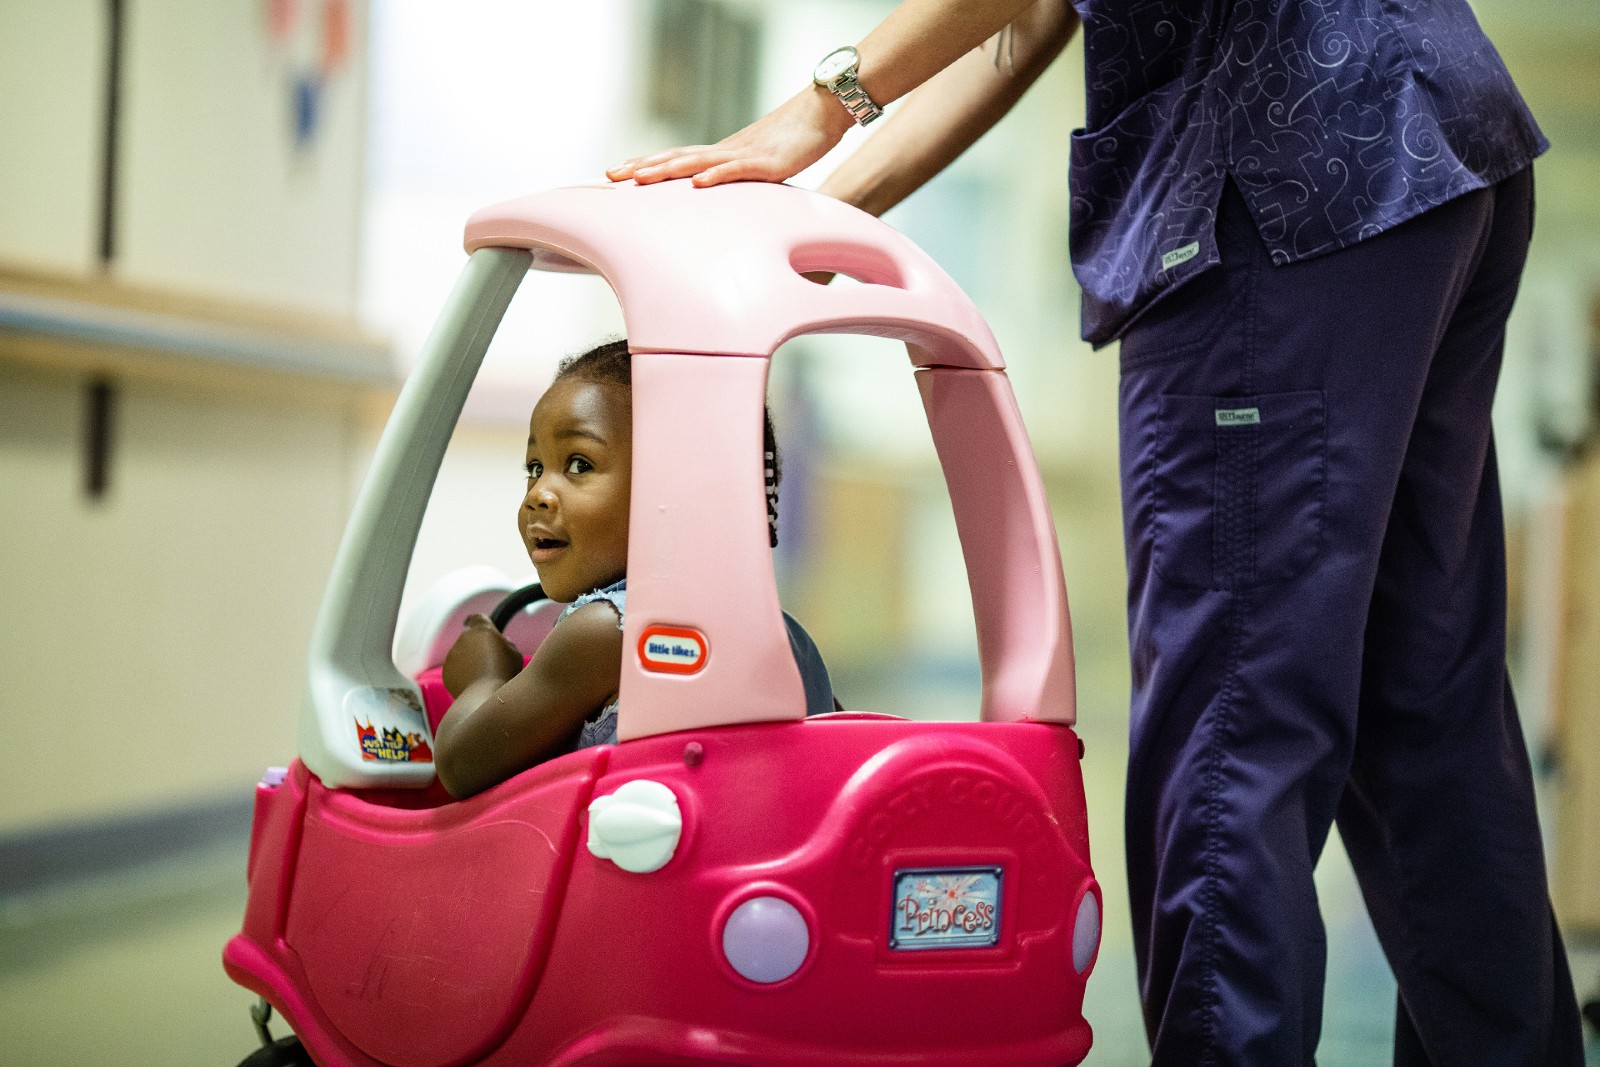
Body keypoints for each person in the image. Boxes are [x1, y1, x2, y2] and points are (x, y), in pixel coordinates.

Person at [608, 2, 1586, 1064]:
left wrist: (818, 108)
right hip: (1431, 150)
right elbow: (1027, 20)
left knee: (1231, 722)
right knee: (1422, 703)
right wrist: (812, 222)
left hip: (1280, 174)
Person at [433, 339, 835, 800]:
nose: (538, 494)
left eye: (578, 465)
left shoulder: (606, 632)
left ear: (679, 491)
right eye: (535, 467)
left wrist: (484, 677)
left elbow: (462, 764)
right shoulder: (788, 638)